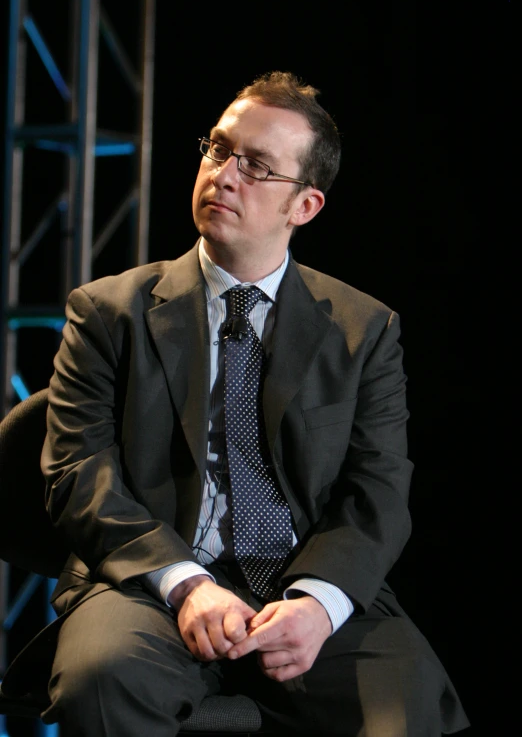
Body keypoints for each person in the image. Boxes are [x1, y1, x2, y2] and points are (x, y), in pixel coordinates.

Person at [38, 71, 469, 735]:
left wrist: (319, 603)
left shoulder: (364, 329)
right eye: (218, 149)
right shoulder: (107, 313)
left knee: (406, 703)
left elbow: (377, 489)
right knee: (102, 680)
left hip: (298, 585)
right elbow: (78, 477)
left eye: (258, 166)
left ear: (305, 206)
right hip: (147, 584)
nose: (223, 174)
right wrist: (186, 582)